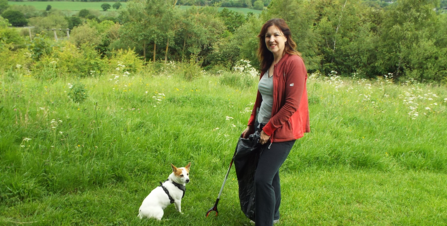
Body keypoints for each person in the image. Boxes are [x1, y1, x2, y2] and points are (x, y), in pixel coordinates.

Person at [241, 18, 310, 226]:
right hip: (263, 127)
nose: (272, 39)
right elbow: (260, 99)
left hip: (282, 131)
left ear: (286, 37)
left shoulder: (294, 63)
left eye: (276, 35)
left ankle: (265, 222)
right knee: (271, 174)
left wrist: (268, 129)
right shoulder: (269, 63)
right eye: (268, 36)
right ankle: (274, 216)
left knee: (262, 178)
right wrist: (252, 124)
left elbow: (291, 104)